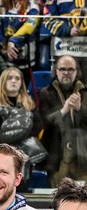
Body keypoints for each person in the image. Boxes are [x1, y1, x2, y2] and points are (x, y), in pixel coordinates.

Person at [39, 56, 87, 186]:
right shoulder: (45, 93)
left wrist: (79, 108)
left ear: (77, 71)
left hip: (83, 157)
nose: (66, 72)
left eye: (70, 69)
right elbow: (43, 123)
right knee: (58, 199)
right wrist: (63, 110)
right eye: (63, 69)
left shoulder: (85, 93)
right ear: (56, 71)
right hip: (57, 157)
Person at [0, 0, 39, 71]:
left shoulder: (32, 4)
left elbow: (29, 26)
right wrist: (3, 47)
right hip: (3, 53)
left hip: (25, 56)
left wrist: (12, 41)